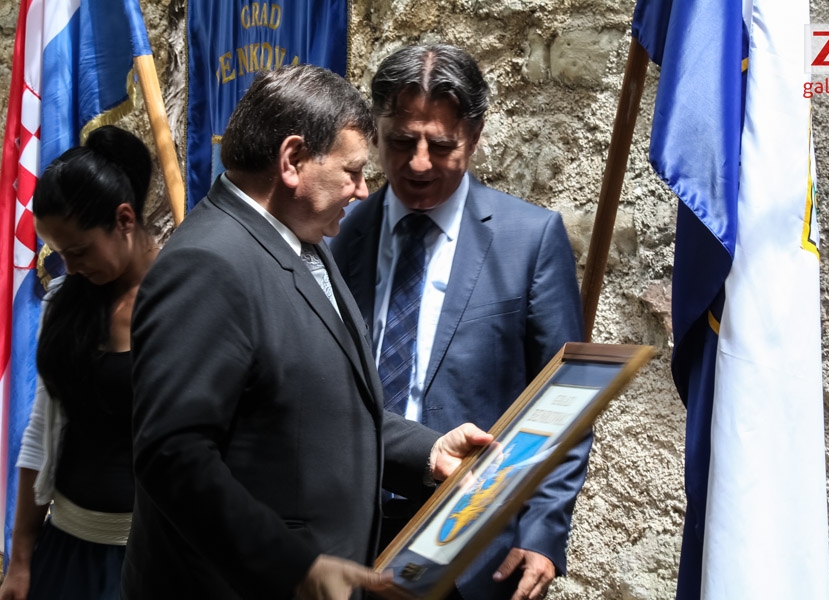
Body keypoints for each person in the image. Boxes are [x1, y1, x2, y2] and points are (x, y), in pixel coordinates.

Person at [121, 64, 491, 600]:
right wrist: (294, 566)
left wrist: (428, 452)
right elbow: (173, 456)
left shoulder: (299, 239)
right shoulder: (208, 265)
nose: (363, 190)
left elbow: (316, 410)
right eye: (352, 171)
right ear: (292, 160)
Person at [330, 44, 590, 600]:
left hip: (473, 548)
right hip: (352, 536)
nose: (419, 163)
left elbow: (564, 401)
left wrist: (543, 531)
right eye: (402, 142)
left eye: (441, 145)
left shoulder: (529, 240)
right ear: (375, 132)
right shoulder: (339, 233)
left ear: (474, 135)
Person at [0, 126, 157, 600]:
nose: (70, 267)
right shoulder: (65, 303)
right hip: (65, 555)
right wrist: (20, 559)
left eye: (80, 251)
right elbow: (41, 433)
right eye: (60, 254)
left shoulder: (181, 302)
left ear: (124, 219)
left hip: (151, 562)